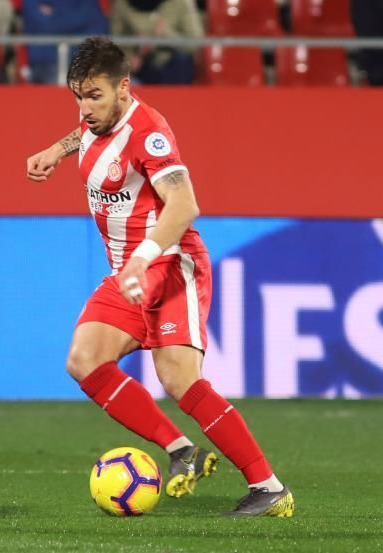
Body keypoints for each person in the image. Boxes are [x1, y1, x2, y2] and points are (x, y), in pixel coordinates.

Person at [26, 37, 294, 517]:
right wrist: (55, 149)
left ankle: (269, 487)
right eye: (78, 97)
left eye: (95, 96)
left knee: (179, 379)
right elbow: (83, 134)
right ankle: (179, 450)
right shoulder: (94, 122)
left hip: (169, 267)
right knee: (85, 360)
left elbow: (185, 205)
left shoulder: (149, 133)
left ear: (124, 89)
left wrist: (143, 258)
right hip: (128, 273)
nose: (85, 108)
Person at [110, 0, 203, 85]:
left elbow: (195, 44)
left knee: (182, 60)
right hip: (138, 66)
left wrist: (165, 34)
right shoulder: (122, 3)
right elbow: (116, 40)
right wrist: (129, 57)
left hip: (172, 63)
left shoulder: (183, 3)